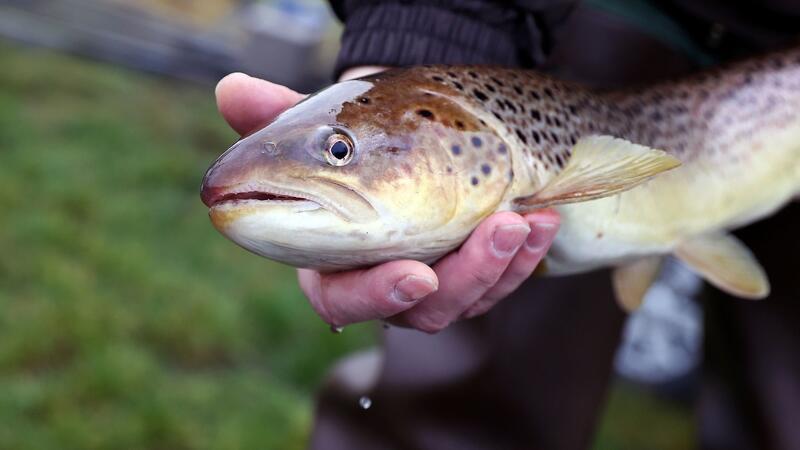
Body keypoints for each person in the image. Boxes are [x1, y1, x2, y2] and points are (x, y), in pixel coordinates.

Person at [215, 1, 800, 448]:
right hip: (575, 16)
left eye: (339, 152)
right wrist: (423, 19)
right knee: (454, 420)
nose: (338, 159)